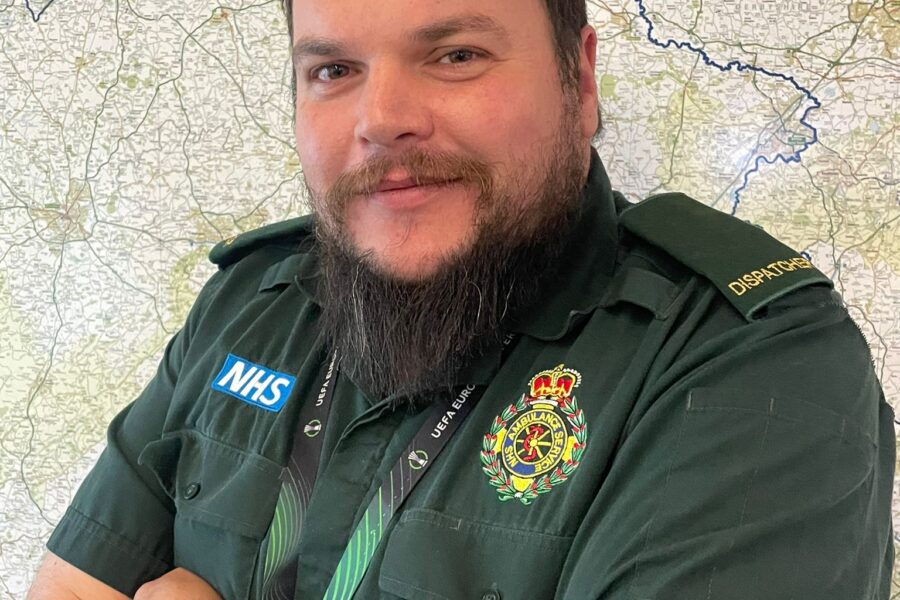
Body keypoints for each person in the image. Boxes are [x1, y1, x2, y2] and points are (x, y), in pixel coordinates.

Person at [29, 0, 895, 598]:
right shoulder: (252, 300)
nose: (383, 117)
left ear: (579, 80)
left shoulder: (750, 368)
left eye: (455, 55)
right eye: (334, 69)